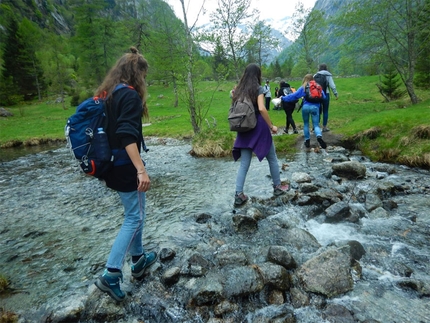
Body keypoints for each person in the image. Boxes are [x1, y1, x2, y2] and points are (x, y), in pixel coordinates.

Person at [94, 47, 157, 302]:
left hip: (112, 164)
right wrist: (141, 169)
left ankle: (139, 259)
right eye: (143, 74)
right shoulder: (129, 96)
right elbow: (126, 135)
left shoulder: (110, 93)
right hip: (125, 166)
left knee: (137, 212)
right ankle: (111, 273)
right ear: (137, 73)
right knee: (133, 217)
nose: (144, 79)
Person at [232, 64, 288, 206]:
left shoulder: (237, 90)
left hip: (244, 128)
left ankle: (239, 194)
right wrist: (271, 126)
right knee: (272, 158)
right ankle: (277, 187)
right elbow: (262, 108)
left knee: (244, 164)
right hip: (259, 127)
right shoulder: (259, 89)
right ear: (258, 74)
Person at [281, 74, 327, 149]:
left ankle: (307, 141)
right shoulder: (318, 86)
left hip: (305, 107)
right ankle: (319, 136)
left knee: (306, 124)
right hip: (315, 107)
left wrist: (283, 98)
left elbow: (294, 96)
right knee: (316, 125)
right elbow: (324, 97)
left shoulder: (304, 87)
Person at [313, 63, 338, 132]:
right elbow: (332, 86)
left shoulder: (315, 75)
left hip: (317, 95)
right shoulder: (328, 75)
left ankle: (316, 126)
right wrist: (335, 94)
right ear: (326, 68)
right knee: (325, 111)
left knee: (317, 110)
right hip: (325, 94)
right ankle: (324, 127)